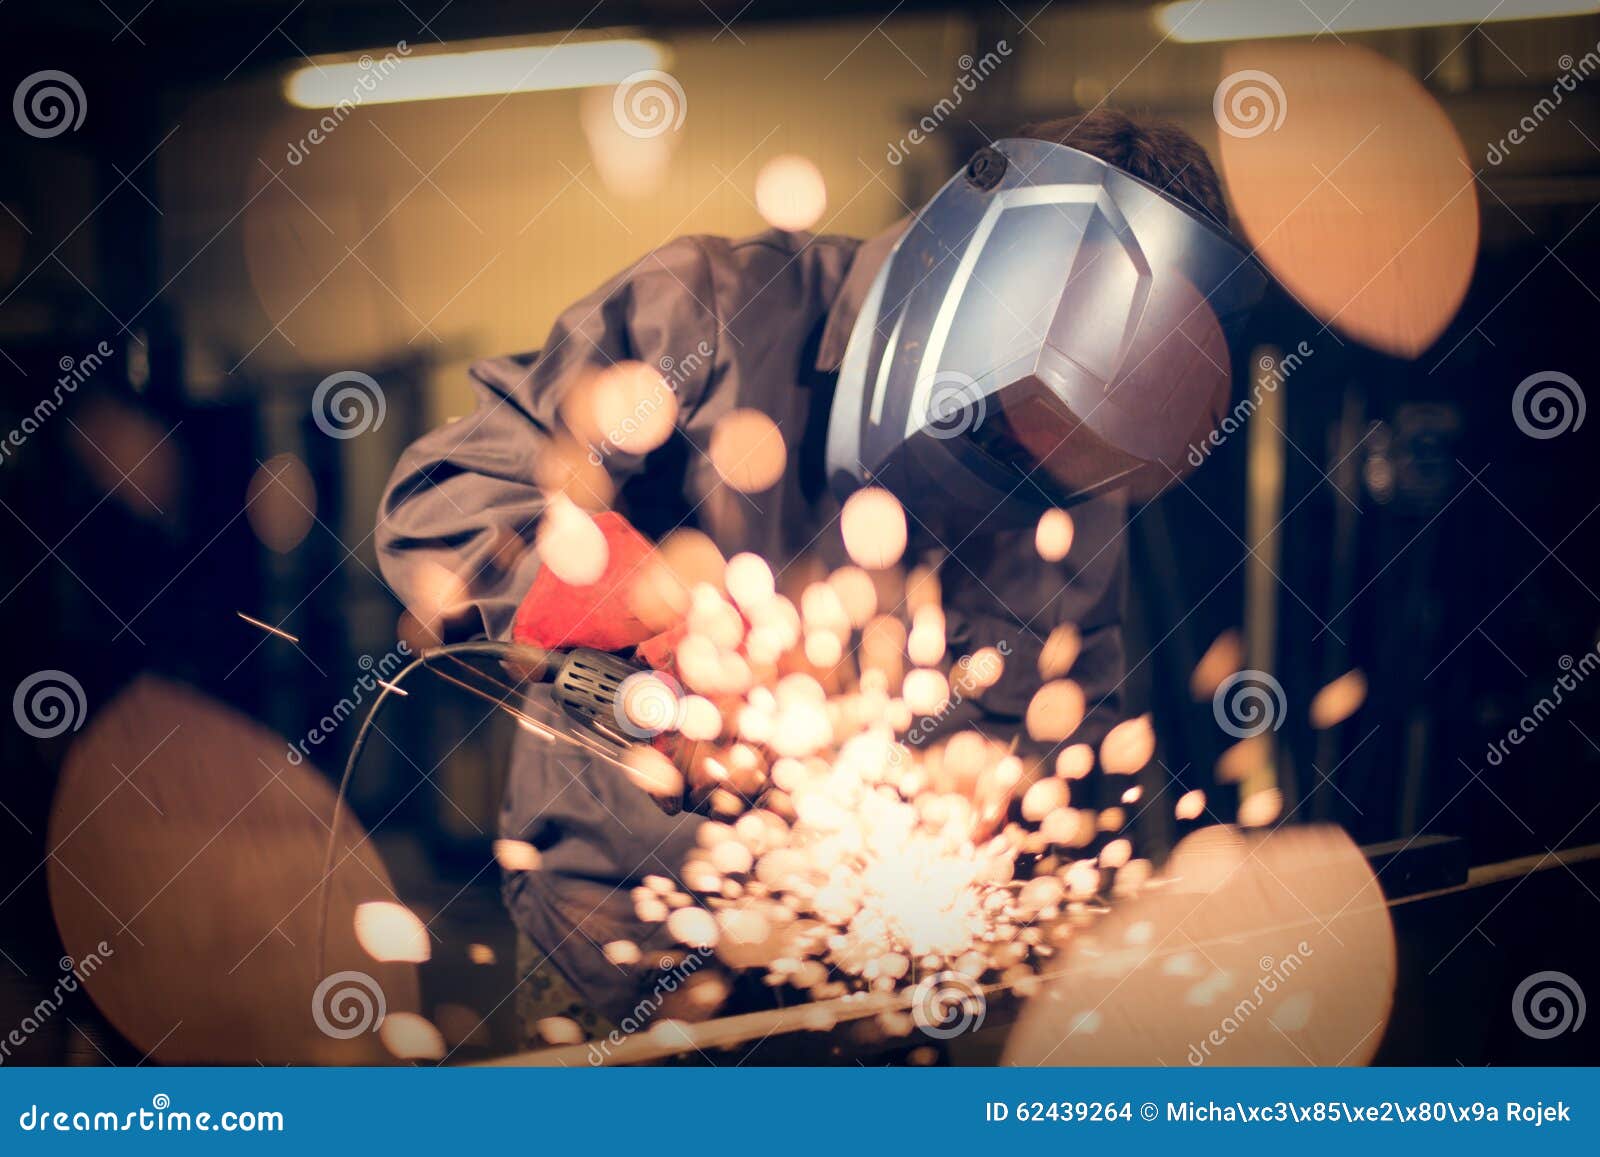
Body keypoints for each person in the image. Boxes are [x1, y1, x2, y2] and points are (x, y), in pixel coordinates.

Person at [375, 109, 1264, 1043]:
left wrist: (993, 796)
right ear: (974, 288)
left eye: (1080, 455)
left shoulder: (1073, 483)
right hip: (618, 962)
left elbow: (1072, 730)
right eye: (1024, 421)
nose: (1048, 464)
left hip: (866, 996)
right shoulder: (712, 310)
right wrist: (636, 601)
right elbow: (445, 499)